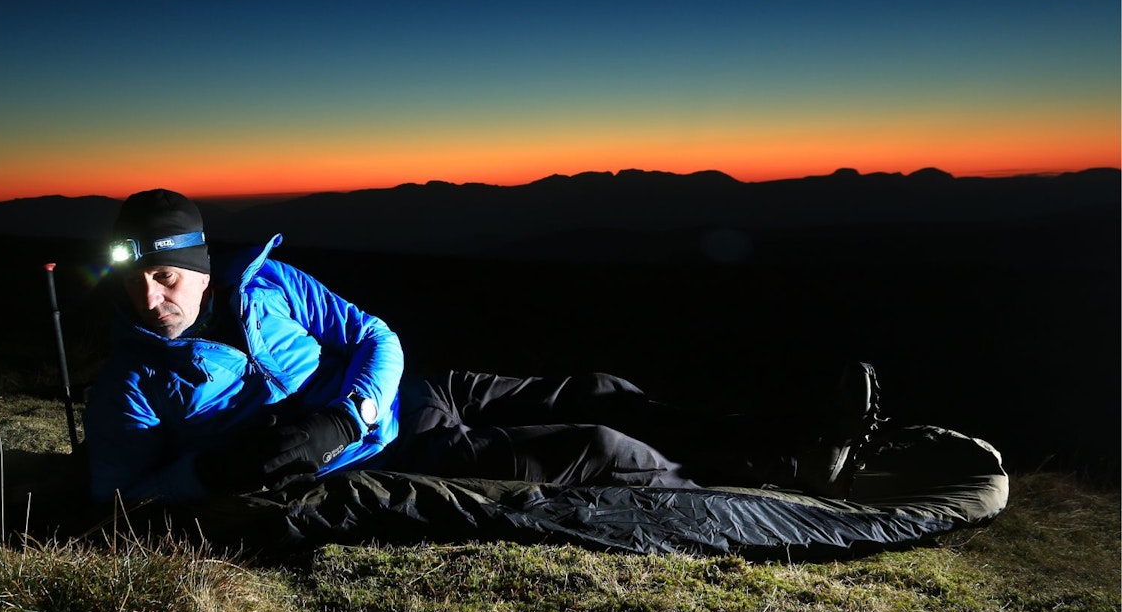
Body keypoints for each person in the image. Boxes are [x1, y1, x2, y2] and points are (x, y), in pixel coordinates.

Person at [83, 189, 880, 507]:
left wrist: (352, 405)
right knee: (596, 446)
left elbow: (374, 336)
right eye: (134, 285)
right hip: (392, 455)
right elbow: (118, 496)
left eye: (164, 276)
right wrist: (227, 467)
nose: (149, 300)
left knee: (597, 386)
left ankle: (784, 441)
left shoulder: (269, 284)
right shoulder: (131, 379)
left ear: (198, 263)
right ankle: (773, 491)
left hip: (411, 394)